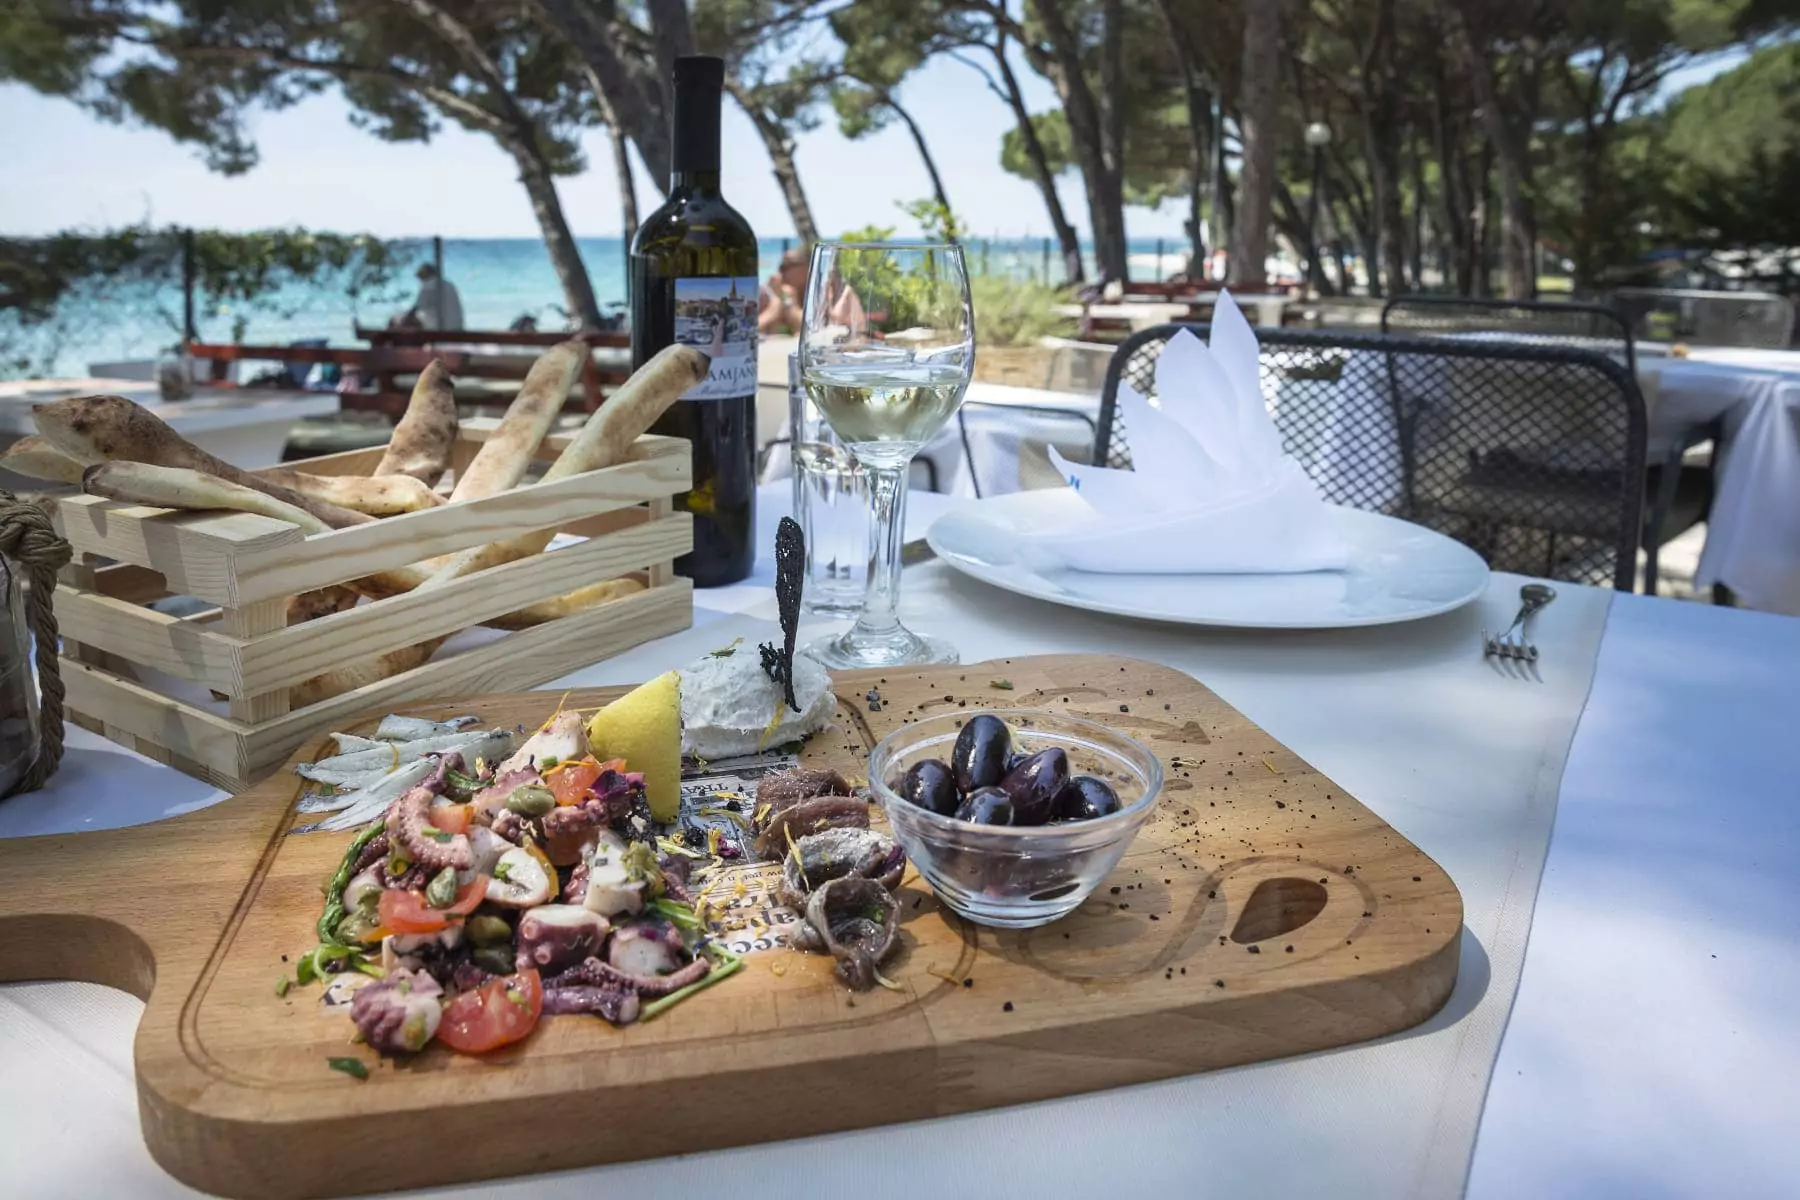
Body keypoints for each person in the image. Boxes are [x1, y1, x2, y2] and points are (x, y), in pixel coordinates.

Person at [758, 249, 865, 334]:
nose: (781, 272)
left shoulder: (834, 293)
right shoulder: (775, 294)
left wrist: (787, 303)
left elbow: (815, 330)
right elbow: (757, 329)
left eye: (786, 267)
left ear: (807, 266)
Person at [407, 263, 465, 331]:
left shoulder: (428, 285)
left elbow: (418, 306)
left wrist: (406, 317)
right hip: (457, 326)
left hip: (440, 327)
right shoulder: (449, 284)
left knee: (409, 322)